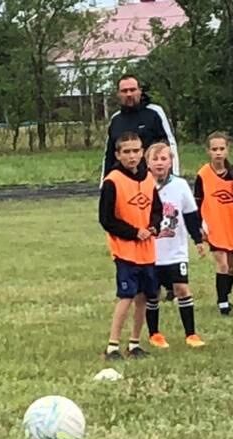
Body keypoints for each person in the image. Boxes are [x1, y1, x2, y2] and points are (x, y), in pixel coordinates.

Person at [100, 131, 163, 360]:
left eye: (136, 151)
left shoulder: (148, 179)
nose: (132, 156)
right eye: (126, 152)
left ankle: (134, 343)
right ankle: (113, 346)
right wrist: (134, 232)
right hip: (125, 250)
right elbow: (106, 219)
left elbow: (156, 209)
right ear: (118, 154)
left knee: (145, 297)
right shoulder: (112, 181)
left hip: (147, 251)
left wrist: (154, 226)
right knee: (126, 296)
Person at [144, 142, 208, 348]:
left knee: (182, 288)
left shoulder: (180, 186)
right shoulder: (143, 185)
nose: (160, 163)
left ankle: (191, 334)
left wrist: (198, 240)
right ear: (148, 163)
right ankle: (154, 334)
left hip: (175, 251)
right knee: (152, 293)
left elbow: (190, 215)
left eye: (164, 159)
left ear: (171, 162)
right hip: (151, 251)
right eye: (155, 159)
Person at [194, 131, 233, 316]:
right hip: (214, 224)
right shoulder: (203, 174)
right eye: (214, 149)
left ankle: (226, 292)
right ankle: (223, 303)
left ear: (227, 150)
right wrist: (199, 224)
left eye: (221, 148)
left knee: (232, 267)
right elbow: (197, 200)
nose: (218, 152)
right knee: (222, 264)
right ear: (208, 151)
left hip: (232, 224)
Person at [102, 74, 179, 177]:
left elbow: (170, 145)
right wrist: (104, 183)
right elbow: (109, 155)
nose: (129, 94)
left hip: (151, 179)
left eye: (132, 90)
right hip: (123, 181)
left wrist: (174, 176)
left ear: (140, 91)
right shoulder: (115, 119)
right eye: (124, 91)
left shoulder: (155, 112)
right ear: (118, 94)